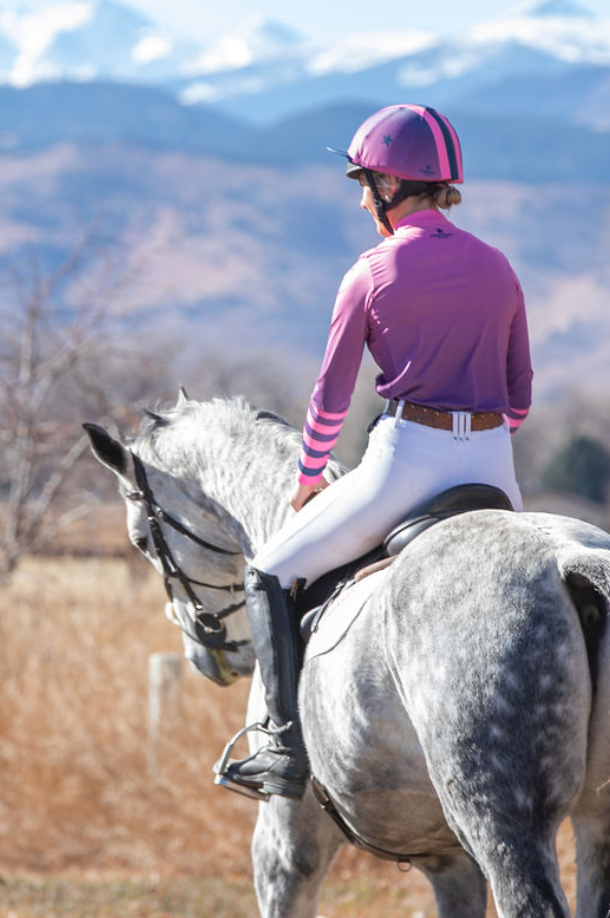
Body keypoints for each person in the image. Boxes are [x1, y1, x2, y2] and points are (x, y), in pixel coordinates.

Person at [218, 103, 532, 801]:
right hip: (494, 469)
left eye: (367, 184)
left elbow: (330, 400)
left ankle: (282, 750)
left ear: (394, 186)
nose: (363, 200)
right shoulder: (499, 267)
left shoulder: (370, 270)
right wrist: (472, 438)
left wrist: (306, 480)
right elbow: (519, 401)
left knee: (267, 572)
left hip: (405, 459)